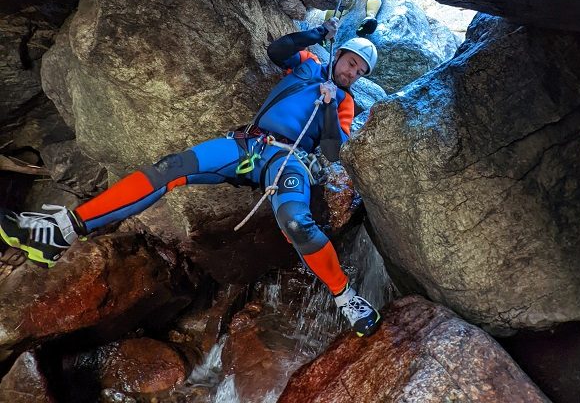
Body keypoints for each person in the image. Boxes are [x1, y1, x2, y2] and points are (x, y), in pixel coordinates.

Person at [0, 19, 382, 337]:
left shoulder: (345, 102)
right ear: (340, 54)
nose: (351, 72)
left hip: (289, 163)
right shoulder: (309, 63)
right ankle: (61, 229)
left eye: (359, 72)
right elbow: (277, 50)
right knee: (169, 169)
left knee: (297, 222)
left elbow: (333, 151)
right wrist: (319, 32)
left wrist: (331, 105)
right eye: (350, 63)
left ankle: (345, 297)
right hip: (248, 145)